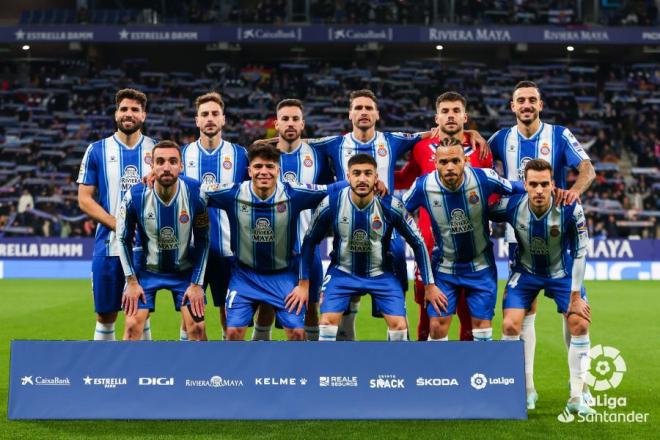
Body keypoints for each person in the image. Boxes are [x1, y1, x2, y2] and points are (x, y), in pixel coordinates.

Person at [488, 80, 595, 409]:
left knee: (575, 316)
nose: (526, 105)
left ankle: (579, 388)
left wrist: (574, 192)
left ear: (540, 104)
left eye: (532, 100)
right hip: (519, 236)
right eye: (520, 100)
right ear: (512, 106)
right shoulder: (499, 139)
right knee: (525, 312)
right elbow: (480, 169)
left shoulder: (559, 136)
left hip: (558, 234)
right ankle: (527, 387)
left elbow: (587, 169)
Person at [306, 89, 442, 340]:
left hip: (386, 227)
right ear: (350, 114)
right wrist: (264, 143)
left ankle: (399, 333)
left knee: (396, 263)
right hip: (348, 221)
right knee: (346, 271)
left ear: (377, 114)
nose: (364, 112)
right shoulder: (335, 143)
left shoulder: (391, 140)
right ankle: (347, 336)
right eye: (358, 108)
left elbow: (432, 133)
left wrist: (472, 133)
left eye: (369, 108)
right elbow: (298, 142)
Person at [202, 143, 345, 341]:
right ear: (249, 170)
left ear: (278, 170)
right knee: (233, 332)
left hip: (283, 276)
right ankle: (238, 372)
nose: (264, 172)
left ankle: (295, 372)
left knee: (296, 332)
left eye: (270, 167)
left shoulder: (293, 193)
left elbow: (332, 189)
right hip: (245, 276)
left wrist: (368, 182)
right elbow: (192, 190)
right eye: (258, 167)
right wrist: (157, 179)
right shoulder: (232, 193)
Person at [296, 154, 442, 341]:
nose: (362, 179)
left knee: (399, 327)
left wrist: (430, 285)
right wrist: (303, 283)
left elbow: (418, 242)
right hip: (342, 272)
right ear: (348, 177)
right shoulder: (332, 203)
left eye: (368, 173)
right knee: (326, 322)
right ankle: (328, 368)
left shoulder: (391, 206)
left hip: (381, 274)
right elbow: (309, 242)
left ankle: (397, 369)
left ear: (376, 178)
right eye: (356, 173)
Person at [403, 137, 524, 342]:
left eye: (455, 161)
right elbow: (397, 212)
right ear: (435, 163)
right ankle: (439, 374)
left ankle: (477, 373)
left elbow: (515, 188)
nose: (449, 167)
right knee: (437, 326)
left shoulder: (484, 178)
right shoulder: (423, 186)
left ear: (465, 161)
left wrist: (547, 191)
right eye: (443, 162)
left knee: (482, 330)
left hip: (481, 266)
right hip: (444, 267)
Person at [394, 91, 493, 342]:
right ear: (436, 117)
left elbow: (491, 194)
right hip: (429, 249)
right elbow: (404, 179)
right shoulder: (420, 147)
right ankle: (428, 374)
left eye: (456, 111)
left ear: (465, 117)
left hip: (471, 251)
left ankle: (465, 376)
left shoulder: (481, 150)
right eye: (445, 111)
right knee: (429, 316)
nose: (451, 116)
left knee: (469, 316)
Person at [77, 88, 156, 341]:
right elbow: (84, 199)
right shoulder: (97, 150)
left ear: (143, 115)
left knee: (140, 316)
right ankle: (105, 375)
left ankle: (142, 374)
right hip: (108, 246)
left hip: (146, 250)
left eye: (134, 110)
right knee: (105, 315)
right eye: (124, 109)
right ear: (116, 114)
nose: (128, 114)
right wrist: (117, 225)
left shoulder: (157, 152)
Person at [252, 98, 333, 342]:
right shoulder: (263, 156)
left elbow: (328, 193)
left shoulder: (316, 157)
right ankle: (257, 357)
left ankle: (308, 364)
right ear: (276, 124)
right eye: (285, 119)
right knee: (266, 306)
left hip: (307, 248)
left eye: (295, 119)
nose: (290, 123)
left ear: (302, 124)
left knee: (310, 306)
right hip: (269, 247)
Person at [117, 140, 209, 341]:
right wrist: (131, 281)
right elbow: (122, 239)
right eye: (160, 161)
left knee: (197, 328)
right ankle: (128, 373)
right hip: (146, 272)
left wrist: (196, 284)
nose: (166, 167)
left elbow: (203, 241)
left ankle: (198, 373)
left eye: (172, 161)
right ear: (152, 165)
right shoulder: (135, 196)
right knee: (132, 326)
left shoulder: (196, 193)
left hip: (184, 271)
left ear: (181, 166)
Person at [180, 92, 249, 341]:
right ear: (197, 121)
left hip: (229, 252)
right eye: (204, 114)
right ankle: (195, 372)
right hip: (190, 251)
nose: (210, 118)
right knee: (193, 325)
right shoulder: (181, 155)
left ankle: (228, 371)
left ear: (223, 120)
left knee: (230, 324)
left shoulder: (240, 155)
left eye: (215, 114)